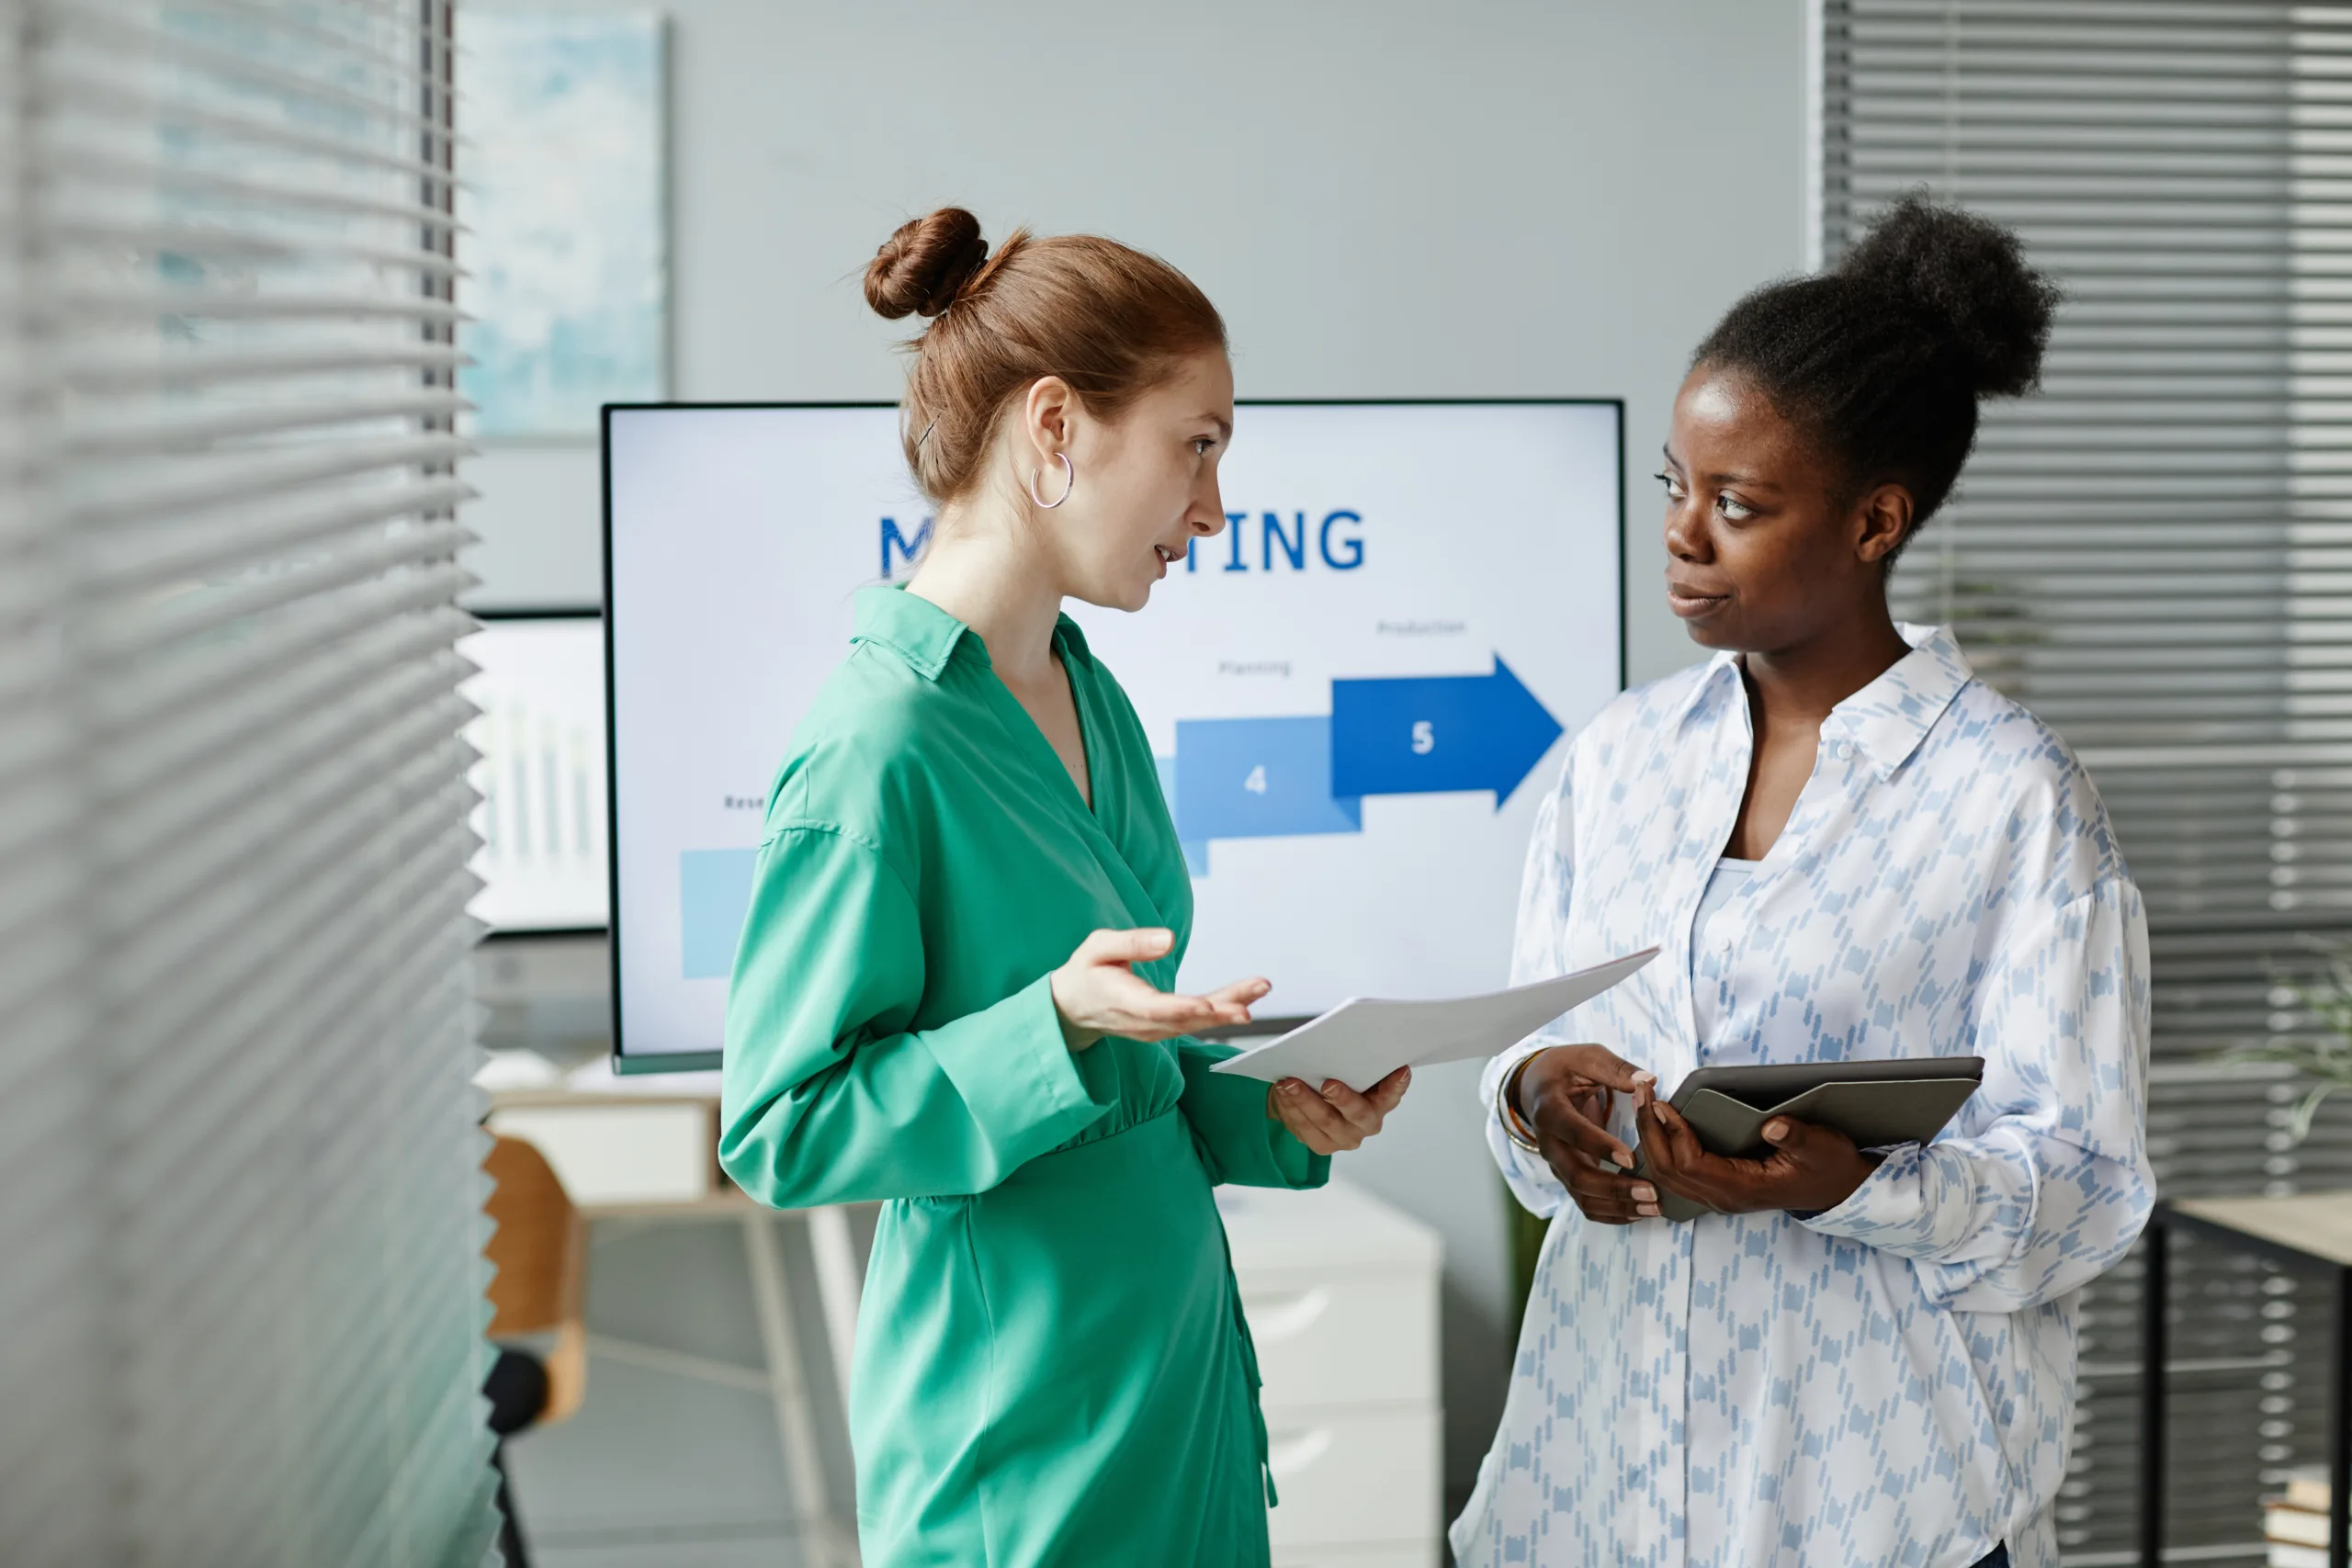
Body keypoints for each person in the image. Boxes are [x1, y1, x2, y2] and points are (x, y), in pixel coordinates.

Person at [1452, 197, 2153, 1568]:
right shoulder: (1616, 762)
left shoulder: (2010, 798)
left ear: (1877, 518)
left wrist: (1844, 1185)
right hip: (1602, 1482)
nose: (1683, 535)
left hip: (1879, 1506)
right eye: (1675, 486)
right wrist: (1540, 1105)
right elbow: (1526, 1045)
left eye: (1739, 504)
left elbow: (2082, 1185)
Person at [718, 208, 1411, 1568]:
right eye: (1196, 446)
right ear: (1055, 427)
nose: (1214, 508)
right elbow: (783, 1127)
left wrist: (1279, 1111)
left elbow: (1129, 1074)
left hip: (1178, 1402)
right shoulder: (876, 747)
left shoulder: (1090, 695)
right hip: (1018, 1446)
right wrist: (1054, 1022)